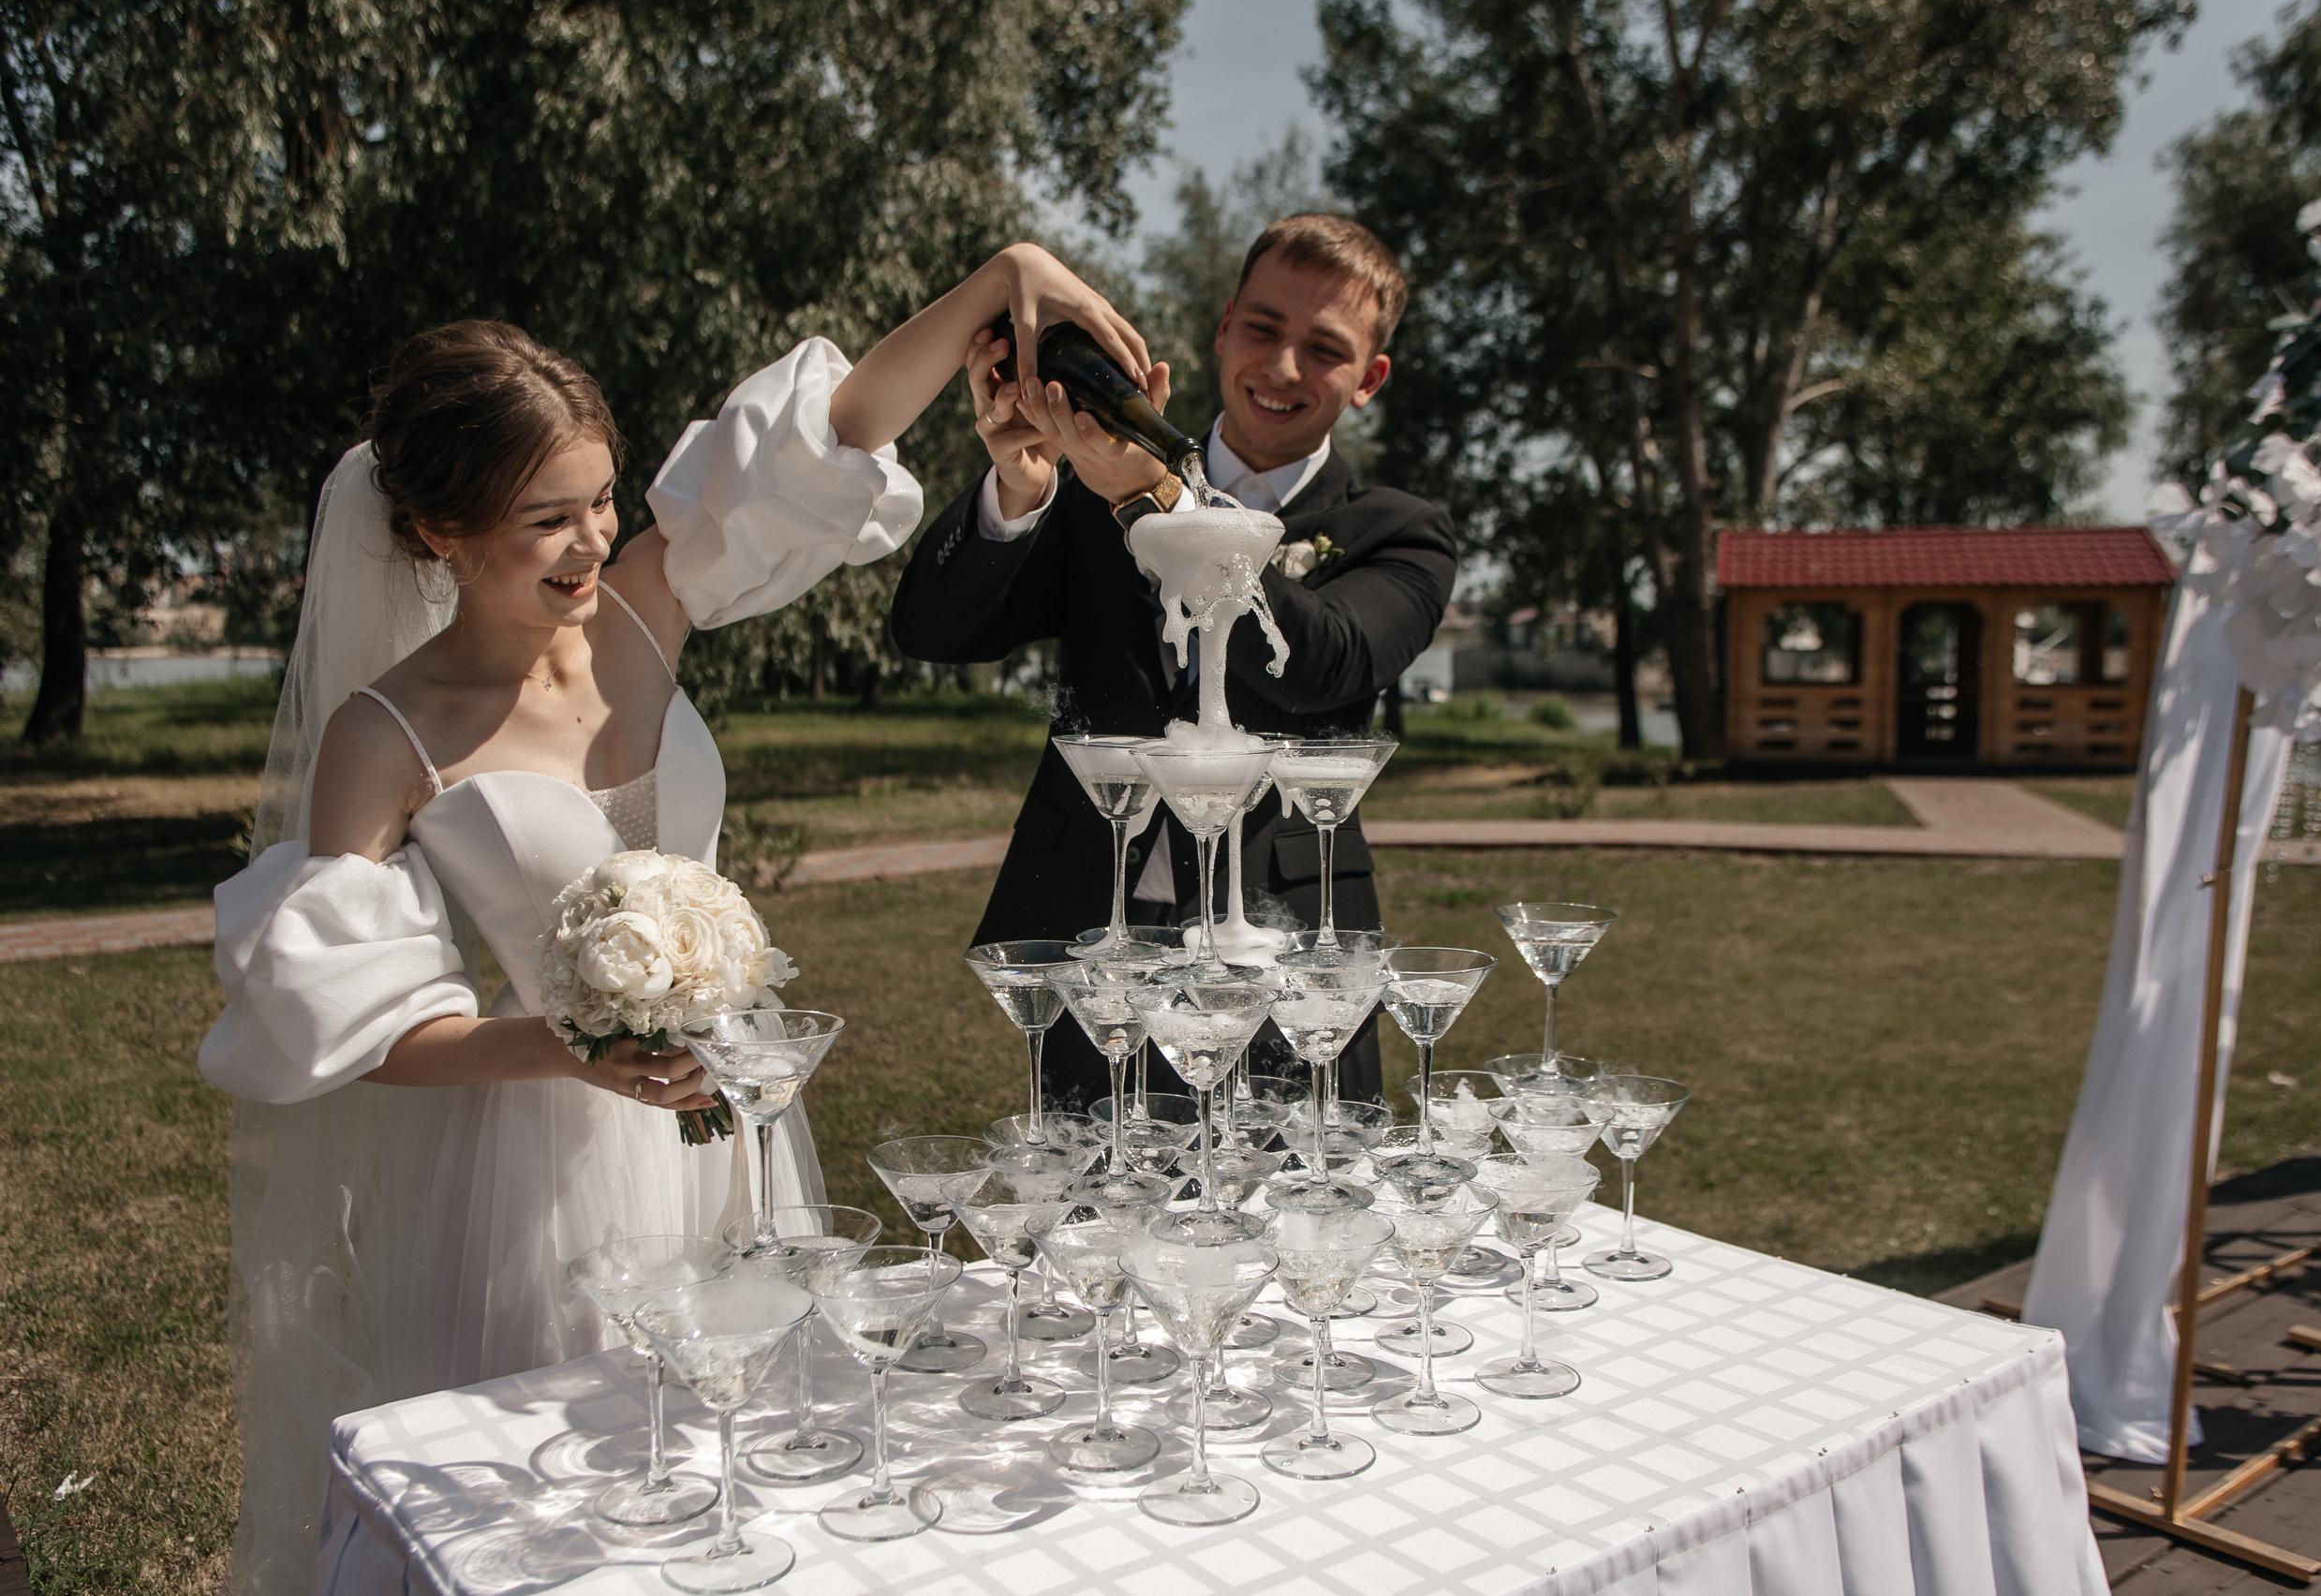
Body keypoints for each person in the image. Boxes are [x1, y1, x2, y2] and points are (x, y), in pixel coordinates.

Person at [197, 244, 1144, 1596]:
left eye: (597, 500)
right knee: (580, 1511)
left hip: (734, 1130)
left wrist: (999, 281)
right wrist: (569, 1047)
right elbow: (346, 1023)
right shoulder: (387, 731)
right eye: (543, 519)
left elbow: (834, 433)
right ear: (434, 534)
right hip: (537, 1171)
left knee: (753, 1481)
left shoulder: (644, 609)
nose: (590, 542)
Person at [889, 214, 1458, 1110]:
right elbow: (932, 630)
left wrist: (1158, 498)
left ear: (1368, 379)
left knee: (1301, 1227)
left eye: (1324, 348)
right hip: (1100, 942)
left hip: (1291, 954)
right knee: (1095, 1203)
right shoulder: (1089, 487)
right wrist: (1021, 487)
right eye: (1264, 329)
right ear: (1224, 326)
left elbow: (1322, 664)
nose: (1280, 367)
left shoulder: (1401, 531)